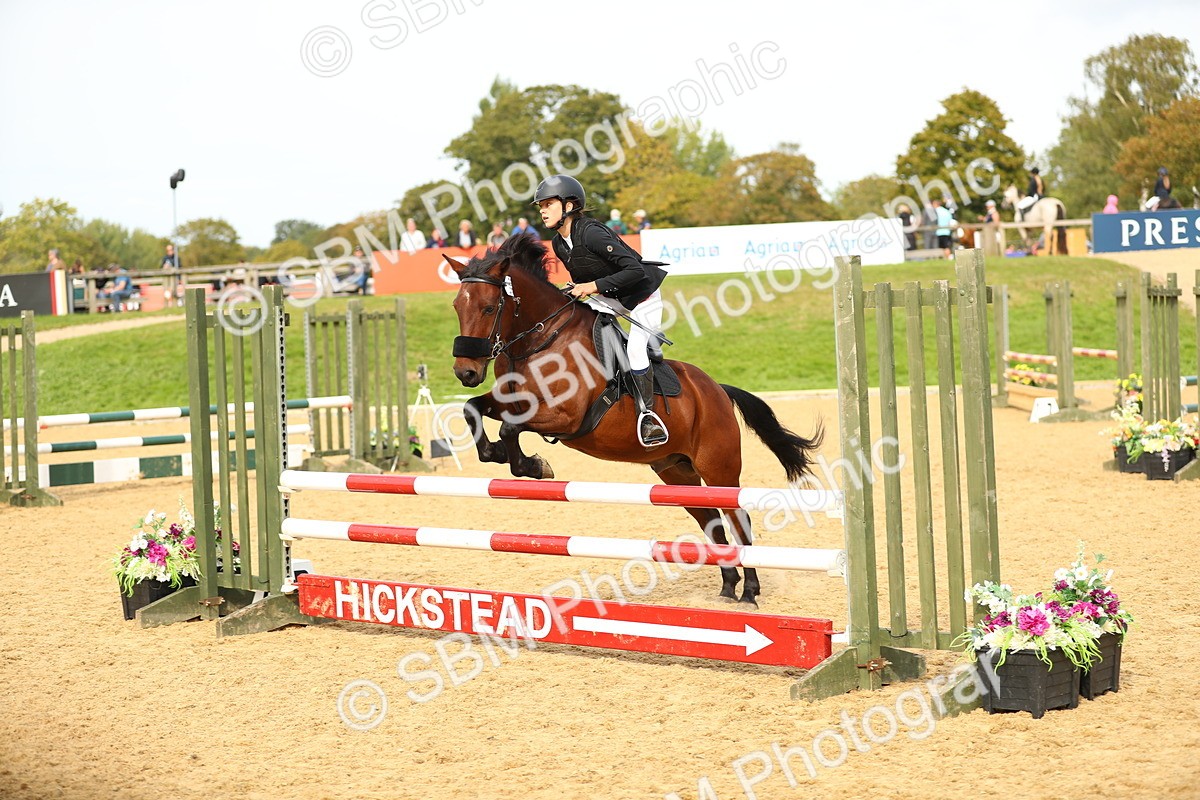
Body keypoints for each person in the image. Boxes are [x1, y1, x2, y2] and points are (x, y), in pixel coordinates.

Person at [534, 174, 670, 448]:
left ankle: (648, 416)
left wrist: (591, 286)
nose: (542, 211)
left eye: (548, 204)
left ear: (568, 206)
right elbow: (585, 279)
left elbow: (634, 270)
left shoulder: (592, 233)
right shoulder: (559, 243)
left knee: (635, 350)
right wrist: (575, 289)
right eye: (541, 206)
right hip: (610, 298)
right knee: (574, 319)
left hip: (643, 296)